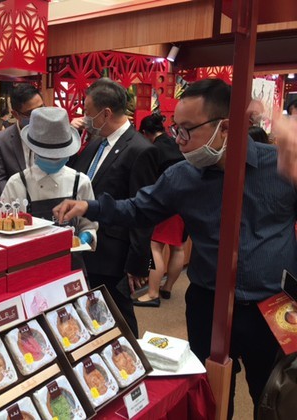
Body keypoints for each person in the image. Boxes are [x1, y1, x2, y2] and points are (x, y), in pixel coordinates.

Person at [54, 78, 297, 418]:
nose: (178, 141)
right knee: (209, 393)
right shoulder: (183, 176)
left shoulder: (281, 167)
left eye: (186, 131)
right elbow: (138, 208)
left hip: (270, 308)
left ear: (225, 127)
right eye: (175, 130)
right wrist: (89, 207)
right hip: (208, 303)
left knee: (273, 394)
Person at [70, 78, 159, 338]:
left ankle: (133, 365)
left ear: (105, 113)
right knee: (91, 313)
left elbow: (144, 211)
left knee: (120, 316)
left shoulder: (141, 150)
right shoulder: (97, 141)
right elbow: (77, 175)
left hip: (114, 253)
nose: (86, 118)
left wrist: (137, 264)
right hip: (87, 243)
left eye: (88, 113)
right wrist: (74, 134)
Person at [0, 106, 98, 252]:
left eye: (58, 154)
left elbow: (89, 225)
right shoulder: (17, 183)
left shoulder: (80, 182)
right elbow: (4, 226)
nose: (53, 159)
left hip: (71, 263)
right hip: (29, 263)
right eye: (48, 154)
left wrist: (86, 236)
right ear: (33, 149)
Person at [134, 113, 186, 307]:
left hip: (164, 203)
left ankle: (152, 293)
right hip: (184, 204)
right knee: (178, 247)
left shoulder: (153, 149)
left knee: (154, 247)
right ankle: (167, 288)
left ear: (146, 133)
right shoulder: (176, 143)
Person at [0, 83, 44, 195]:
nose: (39, 116)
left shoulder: (52, 134)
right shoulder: (1, 140)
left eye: (41, 108)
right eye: (30, 113)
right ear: (15, 114)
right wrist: (16, 200)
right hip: (17, 204)